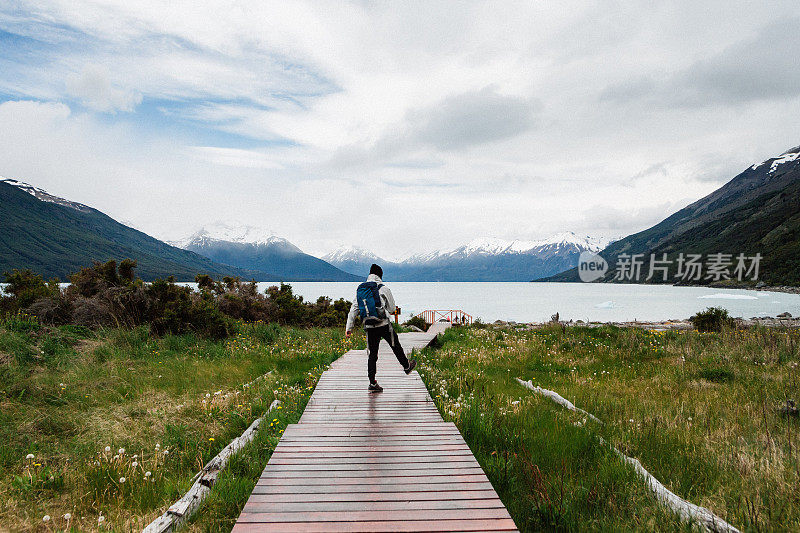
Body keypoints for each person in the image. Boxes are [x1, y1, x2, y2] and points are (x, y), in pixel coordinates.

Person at [345, 263, 416, 392]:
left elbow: (353, 310)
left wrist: (348, 328)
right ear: (380, 275)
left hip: (369, 326)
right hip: (384, 325)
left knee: (372, 354)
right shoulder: (384, 289)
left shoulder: (361, 290)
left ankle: (372, 383)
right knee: (396, 345)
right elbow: (392, 308)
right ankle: (406, 366)